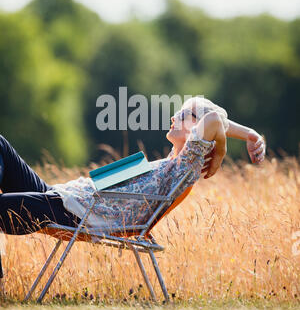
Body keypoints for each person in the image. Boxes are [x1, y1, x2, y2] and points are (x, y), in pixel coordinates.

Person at [0, 97, 266, 237]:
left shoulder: (187, 165)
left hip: (76, 214)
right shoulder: (169, 163)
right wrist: (252, 135)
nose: (174, 117)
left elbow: (212, 119)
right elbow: (211, 119)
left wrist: (219, 150)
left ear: (198, 131)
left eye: (185, 115)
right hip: (61, 197)